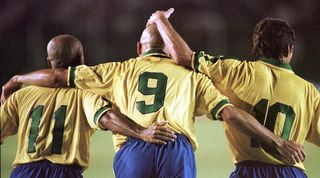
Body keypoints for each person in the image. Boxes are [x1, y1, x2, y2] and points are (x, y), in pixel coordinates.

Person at [1, 26, 305, 178]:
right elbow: (229, 113)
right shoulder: (191, 76)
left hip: (134, 147)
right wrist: (276, 141)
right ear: (170, 51)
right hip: (177, 146)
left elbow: (57, 77)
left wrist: (17, 79)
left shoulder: (118, 69)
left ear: (138, 48)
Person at [148, 8, 319, 178]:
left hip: (248, 172)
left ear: (256, 46)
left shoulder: (234, 71)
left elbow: (183, 56)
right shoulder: (308, 91)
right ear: (289, 49)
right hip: (291, 173)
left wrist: (161, 20)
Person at [0, 34, 177, 178]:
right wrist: (141, 132)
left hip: (24, 172)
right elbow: (106, 117)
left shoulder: (21, 96)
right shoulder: (86, 94)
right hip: (65, 172)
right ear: (81, 59)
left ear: (49, 62)